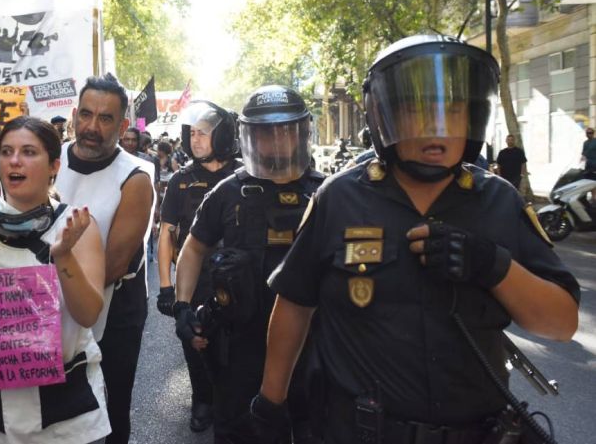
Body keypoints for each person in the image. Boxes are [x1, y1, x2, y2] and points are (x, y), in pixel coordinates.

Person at [254, 35, 580, 444]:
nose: (437, 128)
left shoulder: (500, 201)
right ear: (383, 116)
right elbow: (295, 303)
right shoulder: (338, 198)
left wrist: (494, 266)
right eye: (416, 109)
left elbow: (562, 324)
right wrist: (271, 401)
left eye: (453, 110)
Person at [0, 116, 111, 443]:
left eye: (29, 152)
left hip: (68, 419)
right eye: (6, 151)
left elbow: (89, 315)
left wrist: (63, 256)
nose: (15, 160)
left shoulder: (77, 225)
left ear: (53, 166)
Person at [173, 86, 324, 444]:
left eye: (284, 132)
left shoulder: (327, 193)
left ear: (301, 134)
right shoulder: (228, 192)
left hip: (314, 349)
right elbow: (193, 248)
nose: (275, 142)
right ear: (248, 137)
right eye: (264, 134)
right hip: (240, 347)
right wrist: (182, 306)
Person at [54, 74, 155, 444]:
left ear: (124, 125)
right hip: (48, 303)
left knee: (106, 410)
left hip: (113, 311)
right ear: (74, 115)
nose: (92, 127)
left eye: (105, 118)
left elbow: (112, 265)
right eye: (86, 114)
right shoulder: (48, 157)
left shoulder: (136, 176)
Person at [155, 100, 239, 433]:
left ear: (222, 136)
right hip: (195, 280)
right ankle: (202, 399)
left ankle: (233, 400)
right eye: (192, 133)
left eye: (203, 133)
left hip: (239, 280)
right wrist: (166, 286)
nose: (195, 140)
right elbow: (166, 233)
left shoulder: (245, 174)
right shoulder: (180, 181)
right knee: (196, 341)